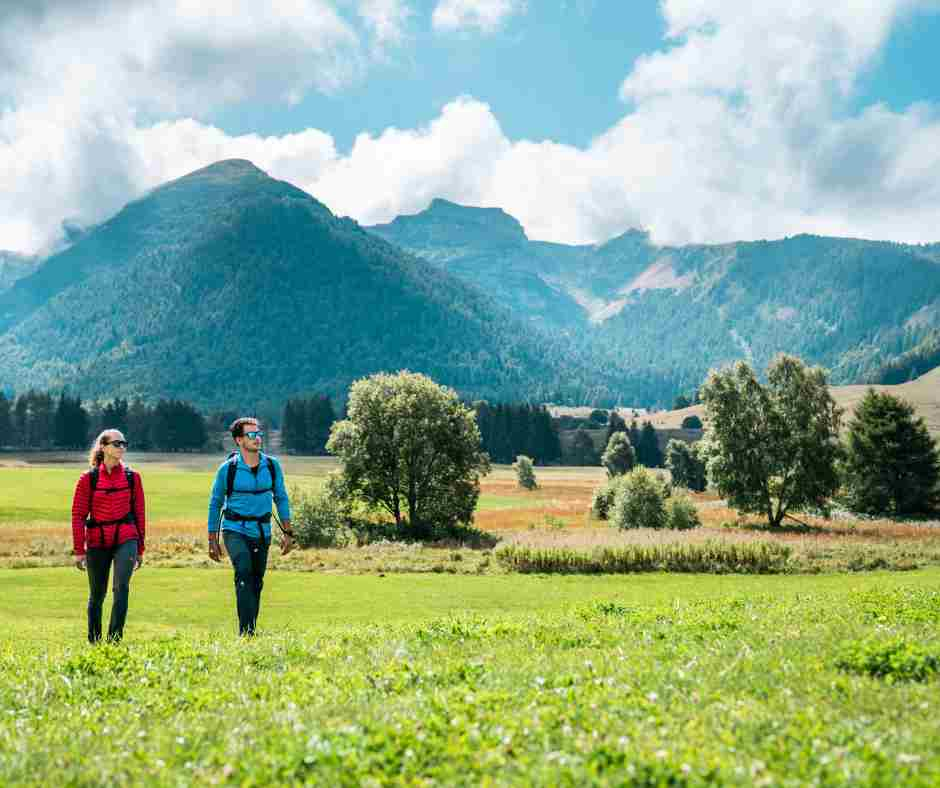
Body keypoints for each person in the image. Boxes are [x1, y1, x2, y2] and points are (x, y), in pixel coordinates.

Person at [207, 417, 294, 636]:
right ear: (239, 440)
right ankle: (246, 633)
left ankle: (250, 631)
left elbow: (281, 498)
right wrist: (212, 540)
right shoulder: (227, 470)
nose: (258, 438)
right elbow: (215, 503)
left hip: (263, 531)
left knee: (257, 580)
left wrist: (288, 532)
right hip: (234, 529)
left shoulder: (272, 466)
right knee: (244, 571)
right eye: (251, 435)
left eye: (259, 434)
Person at [71, 429, 146, 644]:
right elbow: (78, 515)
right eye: (117, 443)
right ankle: (94, 642)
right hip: (97, 540)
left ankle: (114, 641)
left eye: (124, 443)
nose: (122, 447)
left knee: (121, 587)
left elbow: (139, 513)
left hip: (126, 537)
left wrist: (140, 548)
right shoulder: (88, 479)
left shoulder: (133, 478)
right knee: (97, 594)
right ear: (103, 447)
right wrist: (79, 550)